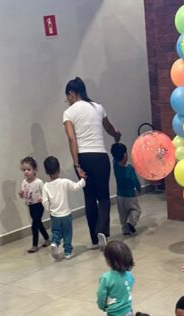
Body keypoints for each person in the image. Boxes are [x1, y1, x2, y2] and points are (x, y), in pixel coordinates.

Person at [63, 77, 121, 249]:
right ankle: (103, 230)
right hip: (101, 157)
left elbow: (72, 139)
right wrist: (116, 135)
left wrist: (76, 165)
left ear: (72, 93)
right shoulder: (98, 107)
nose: (67, 100)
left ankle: (94, 238)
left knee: (89, 197)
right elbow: (109, 128)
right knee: (103, 197)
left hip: (84, 158)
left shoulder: (69, 113)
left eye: (67, 96)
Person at [97, 240, 135, 316]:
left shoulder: (106, 278)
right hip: (129, 312)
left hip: (114, 314)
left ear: (109, 261)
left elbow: (101, 295)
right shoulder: (129, 275)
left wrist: (103, 306)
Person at [42, 156, 86, 260]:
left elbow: (44, 201)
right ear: (59, 169)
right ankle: (67, 251)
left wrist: (49, 209)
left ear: (46, 171)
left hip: (54, 215)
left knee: (56, 231)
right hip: (66, 214)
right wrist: (83, 179)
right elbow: (76, 186)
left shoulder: (46, 186)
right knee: (67, 232)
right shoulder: (64, 182)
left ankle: (55, 242)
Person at [19, 156, 50, 253]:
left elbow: (45, 193)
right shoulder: (24, 182)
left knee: (34, 225)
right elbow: (25, 194)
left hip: (38, 205)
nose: (26, 172)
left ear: (34, 170)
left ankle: (35, 245)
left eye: (29, 169)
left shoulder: (39, 182)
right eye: (24, 170)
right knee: (38, 223)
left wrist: (43, 198)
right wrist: (21, 194)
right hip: (30, 205)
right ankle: (47, 238)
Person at [110, 142, 141, 236]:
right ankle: (131, 223)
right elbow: (135, 180)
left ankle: (125, 229)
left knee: (123, 214)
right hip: (130, 195)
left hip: (119, 196)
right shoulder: (130, 169)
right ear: (125, 155)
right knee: (136, 210)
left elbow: (114, 157)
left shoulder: (115, 165)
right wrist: (139, 188)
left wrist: (116, 141)